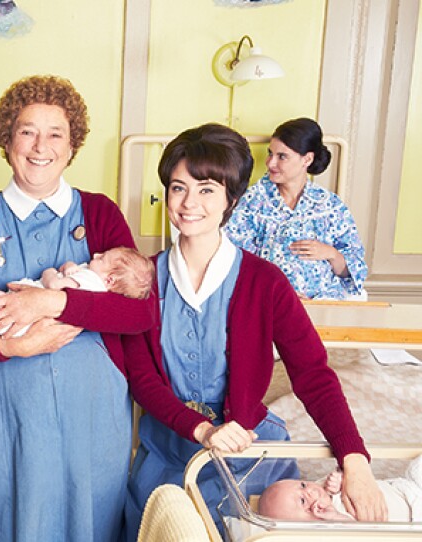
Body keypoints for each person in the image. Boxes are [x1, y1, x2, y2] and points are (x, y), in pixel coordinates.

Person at [125, 123, 386, 539]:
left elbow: (313, 373)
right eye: (178, 188)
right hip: (167, 458)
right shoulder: (142, 279)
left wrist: (354, 457)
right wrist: (204, 431)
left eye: (207, 189)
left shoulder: (264, 282)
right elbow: (142, 380)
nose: (190, 203)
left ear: (232, 198)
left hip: (253, 456)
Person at [0, 75, 154, 541]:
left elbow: (141, 315)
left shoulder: (101, 213)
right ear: (7, 138)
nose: (40, 146)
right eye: (27, 131)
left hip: (90, 419)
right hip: (0, 419)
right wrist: (14, 346)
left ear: (72, 147)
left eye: (56, 135)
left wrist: (55, 301)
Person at [225, 117, 367, 300]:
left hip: (324, 302)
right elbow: (237, 261)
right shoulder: (252, 202)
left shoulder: (330, 205)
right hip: (270, 300)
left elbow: (353, 269)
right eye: (270, 153)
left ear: (307, 159)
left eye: (281, 156)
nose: (270, 163)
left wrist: (331, 253)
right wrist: (283, 295)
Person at [0, 246, 154, 335]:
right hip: (34, 325)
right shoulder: (96, 284)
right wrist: (70, 268)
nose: (96, 254)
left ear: (109, 279)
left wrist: (50, 272)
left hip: (22, 319)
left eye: (102, 258)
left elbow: (54, 286)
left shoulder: (90, 280)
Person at [259, 456, 422, 522]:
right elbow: (358, 535)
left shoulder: (325, 488)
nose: (310, 491)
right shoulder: (329, 527)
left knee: (417, 466)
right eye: (302, 501)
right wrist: (335, 517)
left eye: (302, 485)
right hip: (415, 518)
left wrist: (340, 478)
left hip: (408, 488)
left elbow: (352, 478)